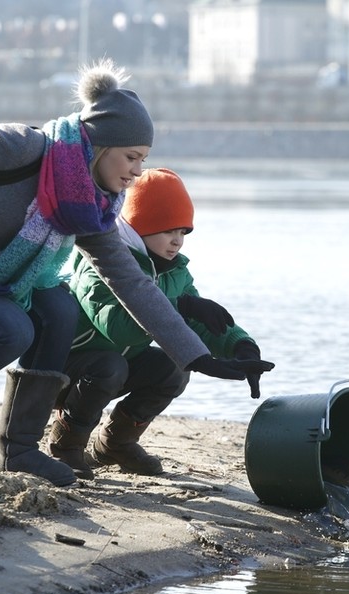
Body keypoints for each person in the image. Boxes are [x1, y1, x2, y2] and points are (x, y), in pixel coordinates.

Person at [0, 59, 273, 487]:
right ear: (103, 146)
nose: (138, 171)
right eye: (132, 157)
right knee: (13, 331)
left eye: (144, 159)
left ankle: (18, 451)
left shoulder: (91, 209)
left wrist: (198, 357)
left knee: (59, 311)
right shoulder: (24, 147)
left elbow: (134, 286)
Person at [47, 168, 266, 479]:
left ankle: (115, 444)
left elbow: (197, 325)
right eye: (168, 230)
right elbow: (120, 326)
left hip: (116, 364)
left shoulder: (174, 271)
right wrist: (179, 305)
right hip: (63, 370)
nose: (177, 241)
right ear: (138, 225)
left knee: (174, 368)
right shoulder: (98, 262)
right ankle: (66, 446)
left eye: (183, 232)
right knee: (110, 366)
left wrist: (241, 347)